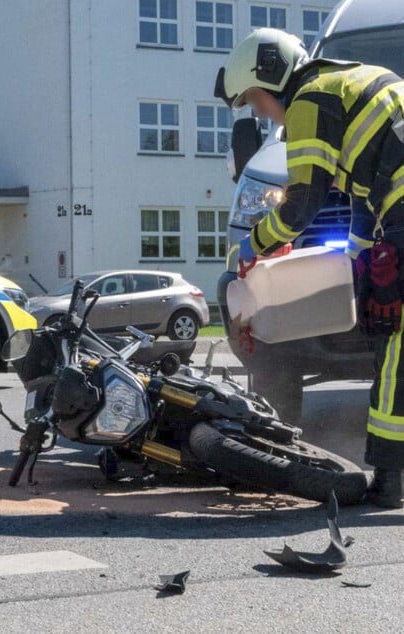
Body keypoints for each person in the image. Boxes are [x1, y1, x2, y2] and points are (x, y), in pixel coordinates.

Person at [215, 28, 404, 508]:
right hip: (393, 210)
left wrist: (253, 247)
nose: (261, 112)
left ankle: (390, 480)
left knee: (395, 347)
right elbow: (364, 201)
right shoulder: (353, 82)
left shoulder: (310, 100)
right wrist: (356, 263)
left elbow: (302, 204)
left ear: (274, 77)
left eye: (257, 100)